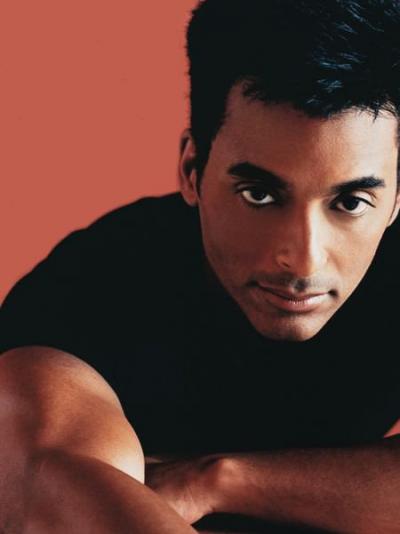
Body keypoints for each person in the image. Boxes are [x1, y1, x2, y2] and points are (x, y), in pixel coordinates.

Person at [1, 0, 400, 532]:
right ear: (192, 169)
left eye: (350, 202)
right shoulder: (84, 295)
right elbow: (50, 480)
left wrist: (215, 479)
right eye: (259, 194)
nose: (303, 259)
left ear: (397, 196)